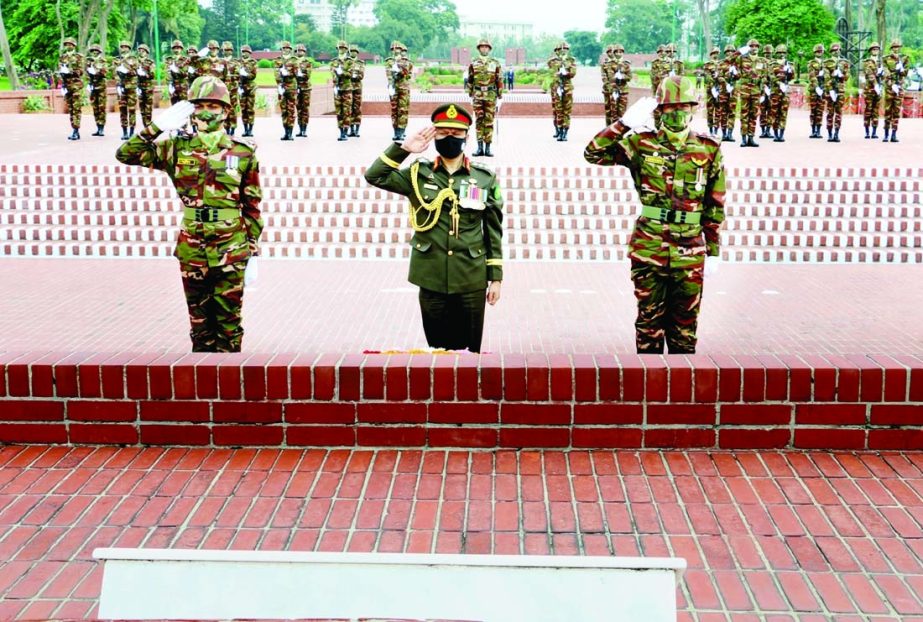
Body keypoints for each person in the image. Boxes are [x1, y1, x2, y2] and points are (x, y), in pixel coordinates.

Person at [115, 76, 263, 353]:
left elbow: (252, 206)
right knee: (199, 322)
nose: (206, 112)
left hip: (231, 246)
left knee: (229, 321)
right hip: (192, 246)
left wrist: (253, 252)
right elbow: (125, 154)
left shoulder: (242, 152)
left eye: (213, 106)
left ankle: (229, 381)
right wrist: (155, 127)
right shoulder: (175, 148)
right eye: (200, 105)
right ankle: (203, 382)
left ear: (226, 112)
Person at [583, 75, 726, 354]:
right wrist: (623, 124)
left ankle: (681, 390)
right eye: (671, 108)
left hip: (690, 248)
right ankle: (648, 389)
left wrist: (714, 250)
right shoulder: (640, 142)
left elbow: (714, 202)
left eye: (684, 107)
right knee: (648, 323)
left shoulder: (708, 148)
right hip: (650, 245)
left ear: (694, 109)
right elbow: (592, 154)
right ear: (658, 111)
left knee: (685, 326)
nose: (678, 113)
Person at [363, 103, 504, 353]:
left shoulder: (484, 178)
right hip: (431, 275)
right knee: (437, 350)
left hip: (470, 276)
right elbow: (375, 176)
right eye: (442, 133)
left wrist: (495, 278)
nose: (449, 137)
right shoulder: (418, 174)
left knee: (470, 351)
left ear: (466, 137)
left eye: (455, 133)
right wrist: (404, 149)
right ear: (434, 135)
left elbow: (493, 230)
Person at [466, 39, 503, 156]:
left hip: (491, 96)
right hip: (477, 95)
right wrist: (469, 93)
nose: (484, 49)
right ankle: (479, 147)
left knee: (489, 121)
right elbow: (470, 79)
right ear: (479, 49)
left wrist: (500, 94)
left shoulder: (495, 63)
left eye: (486, 47)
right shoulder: (474, 63)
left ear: (489, 49)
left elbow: (499, 79)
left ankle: (488, 148)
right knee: (479, 120)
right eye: (482, 47)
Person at [737, 38, 764, 147]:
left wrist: (762, 92)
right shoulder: (742, 59)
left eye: (756, 46)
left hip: (756, 90)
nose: (754, 48)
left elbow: (764, 77)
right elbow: (735, 69)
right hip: (745, 89)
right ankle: (743, 138)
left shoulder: (762, 61)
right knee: (744, 115)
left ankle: (751, 138)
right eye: (751, 46)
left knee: (753, 115)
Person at [548, 41, 577, 141]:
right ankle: (559, 130)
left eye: (565, 49)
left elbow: (573, 73)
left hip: (567, 88)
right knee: (558, 110)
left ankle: (565, 132)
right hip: (557, 88)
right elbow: (552, 71)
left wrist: (566, 73)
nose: (563, 51)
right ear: (557, 51)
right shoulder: (553, 61)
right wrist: (559, 66)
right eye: (560, 49)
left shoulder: (571, 60)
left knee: (567, 111)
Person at [57, 37, 84, 141]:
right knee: (71, 109)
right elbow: (59, 70)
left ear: (73, 46)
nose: (67, 46)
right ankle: (74, 128)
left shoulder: (78, 57)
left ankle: (76, 130)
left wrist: (70, 70)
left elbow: (81, 71)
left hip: (76, 86)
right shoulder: (62, 57)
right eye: (66, 44)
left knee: (76, 108)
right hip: (66, 86)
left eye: (69, 44)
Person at [882, 39, 909, 143]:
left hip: (899, 87)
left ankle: (893, 134)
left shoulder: (905, 58)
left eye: (898, 47)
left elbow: (905, 73)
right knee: (888, 110)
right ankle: (886, 134)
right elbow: (885, 70)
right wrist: (891, 80)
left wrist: (901, 69)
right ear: (891, 48)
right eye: (894, 47)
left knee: (896, 111)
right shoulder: (886, 58)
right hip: (890, 87)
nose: (896, 49)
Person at [386, 41, 413, 141]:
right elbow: (388, 74)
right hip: (394, 88)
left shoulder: (405, 61)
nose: (395, 51)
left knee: (402, 110)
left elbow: (406, 72)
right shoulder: (389, 61)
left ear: (401, 50)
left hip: (403, 88)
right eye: (393, 49)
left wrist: (398, 71)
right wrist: (390, 85)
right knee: (394, 110)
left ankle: (401, 131)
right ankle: (395, 131)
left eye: (397, 49)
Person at [823, 42, 850, 142]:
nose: (836, 52)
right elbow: (826, 77)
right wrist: (830, 90)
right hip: (831, 90)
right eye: (834, 50)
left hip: (840, 90)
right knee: (830, 112)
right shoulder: (827, 62)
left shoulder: (844, 62)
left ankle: (836, 133)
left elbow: (847, 77)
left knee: (839, 112)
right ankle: (830, 133)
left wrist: (841, 75)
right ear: (831, 52)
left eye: (838, 50)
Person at [769, 44, 794, 142]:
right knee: (774, 112)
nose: (782, 54)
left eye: (783, 52)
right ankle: (775, 133)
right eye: (779, 52)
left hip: (785, 91)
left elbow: (792, 77)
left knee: (784, 113)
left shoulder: (789, 64)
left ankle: (781, 133)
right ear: (776, 53)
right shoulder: (772, 64)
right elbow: (770, 76)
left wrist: (790, 71)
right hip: (775, 91)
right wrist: (778, 82)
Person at [330, 40, 354, 141]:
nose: (341, 50)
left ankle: (345, 131)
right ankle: (340, 131)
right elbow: (332, 72)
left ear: (346, 49)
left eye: (343, 48)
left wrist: (341, 73)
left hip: (346, 88)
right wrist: (335, 80)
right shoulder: (334, 61)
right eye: (340, 48)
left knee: (346, 111)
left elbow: (350, 74)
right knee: (339, 111)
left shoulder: (349, 61)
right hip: (337, 88)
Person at [274, 41, 298, 141]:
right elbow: (276, 72)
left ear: (290, 49)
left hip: (291, 87)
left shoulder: (294, 60)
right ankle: (285, 132)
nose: (285, 49)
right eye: (284, 48)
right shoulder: (278, 60)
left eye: (287, 48)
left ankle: (290, 132)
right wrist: (279, 82)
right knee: (284, 110)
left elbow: (295, 72)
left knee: (291, 110)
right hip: (282, 87)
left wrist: (287, 73)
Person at [115, 41, 139, 140]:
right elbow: (115, 73)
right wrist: (118, 85)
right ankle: (124, 132)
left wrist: (126, 70)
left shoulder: (133, 59)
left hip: (131, 87)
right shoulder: (117, 59)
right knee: (122, 109)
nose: (123, 48)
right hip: (121, 87)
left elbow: (135, 71)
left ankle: (132, 131)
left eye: (126, 47)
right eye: (122, 47)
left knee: (132, 109)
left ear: (129, 48)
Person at [85, 43, 109, 137]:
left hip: (101, 86)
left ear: (99, 52)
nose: (94, 52)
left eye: (96, 51)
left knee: (101, 107)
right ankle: (97, 127)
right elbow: (86, 73)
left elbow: (105, 72)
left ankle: (101, 128)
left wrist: (96, 71)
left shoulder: (102, 61)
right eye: (92, 51)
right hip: (93, 86)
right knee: (95, 107)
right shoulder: (89, 61)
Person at [717, 44, 739, 142]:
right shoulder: (721, 63)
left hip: (733, 91)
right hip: (723, 90)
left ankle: (730, 133)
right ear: (725, 53)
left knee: (732, 112)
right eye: (728, 51)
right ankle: (724, 133)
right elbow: (718, 76)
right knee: (723, 112)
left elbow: (740, 75)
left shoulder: (736, 64)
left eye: (732, 51)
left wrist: (735, 73)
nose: (730, 53)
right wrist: (725, 82)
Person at [862, 42, 883, 139]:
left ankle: (874, 131)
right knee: (868, 110)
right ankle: (867, 131)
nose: (875, 51)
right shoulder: (867, 61)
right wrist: (875, 85)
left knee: (875, 111)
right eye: (874, 49)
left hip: (878, 89)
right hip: (869, 90)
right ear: (870, 51)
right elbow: (870, 75)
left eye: (877, 49)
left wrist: (882, 74)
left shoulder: (881, 62)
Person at [238, 45, 258, 137]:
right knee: (243, 109)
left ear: (249, 53)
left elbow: (253, 75)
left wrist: (245, 74)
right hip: (241, 87)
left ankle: (250, 130)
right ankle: (245, 129)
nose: (244, 53)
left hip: (250, 88)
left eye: (246, 52)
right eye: (243, 52)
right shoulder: (238, 62)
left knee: (250, 109)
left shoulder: (253, 62)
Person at [807, 43, 826, 139]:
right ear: (815, 52)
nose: (819, 53)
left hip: (823, 89)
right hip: (814, 90)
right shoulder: (811, 63)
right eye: (818, 51)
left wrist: (825, 75)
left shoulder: (826, 63)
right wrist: (817, 87)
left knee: (820, 110)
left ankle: (818, 130)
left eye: (821, 51)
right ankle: (813, 129)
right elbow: (811, 75)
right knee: (813, 110)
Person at [221, 42, 240, 135]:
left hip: (232, 88)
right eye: (225, 50)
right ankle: (225, 127)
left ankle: (232, 128)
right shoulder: (220, 62)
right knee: (223, 108)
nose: (227, 52)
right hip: (222, 89)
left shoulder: (235, 62)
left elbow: (237, 75)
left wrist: (229, 76)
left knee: (232, 109)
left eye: (229, 50)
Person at [294, 43, 313, 137]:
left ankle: (304, 129)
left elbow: (308, 75)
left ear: (304, 52)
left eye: (301, 50)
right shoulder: (293, 61)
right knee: (298, 108)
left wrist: (299, 75)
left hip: (305, 88)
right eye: (298, 50)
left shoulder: (307, 62)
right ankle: (299, 129)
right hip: (296, 87)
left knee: (305, 108)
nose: (299, 52)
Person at [136, 44, 156, 128]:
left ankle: (148, 125)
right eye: (140, 50)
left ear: (147, 52)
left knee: (148, 108)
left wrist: (145, 73)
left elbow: (152, 75)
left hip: (148, 87)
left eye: (143, 51)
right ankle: (145, 125)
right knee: (142, 108)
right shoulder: (135, 61)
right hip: (139, 86)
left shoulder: (150, 62)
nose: (141, 52)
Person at [702, 47, 720, 136]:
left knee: (718, 110)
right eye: (713, 53)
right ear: (711, 55)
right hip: (710, 90)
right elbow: (707, 77)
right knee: (710, 110)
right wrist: (713, 87)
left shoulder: (721, 64)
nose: (715, 55)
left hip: (719, 90)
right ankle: (710, 128)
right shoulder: (707, 64)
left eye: (717, 53)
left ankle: (716, 129)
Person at [348, 44, 365, 137]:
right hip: (348, 87)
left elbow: (361, 75)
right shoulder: (347, 62)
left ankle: (357, 129)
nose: (353, 53)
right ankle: (351, 130)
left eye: (355, 51)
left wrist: (355, 76)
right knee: (349, 108)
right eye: (351, 51)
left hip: (357, 87)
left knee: (357, 109)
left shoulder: (360, 63)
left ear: (357, 53)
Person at [165, 40, 189, 105]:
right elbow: (167, 73)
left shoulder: (185, 60)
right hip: (173, 85)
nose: (176, 50)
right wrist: (169, 84)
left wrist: (177, 70)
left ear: (181, 49)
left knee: (184, 106)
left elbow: (185, 73)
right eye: (175, 48)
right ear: (172, 49)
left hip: (182, 86)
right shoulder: (169, 60)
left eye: (178, 48)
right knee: (174, 106)